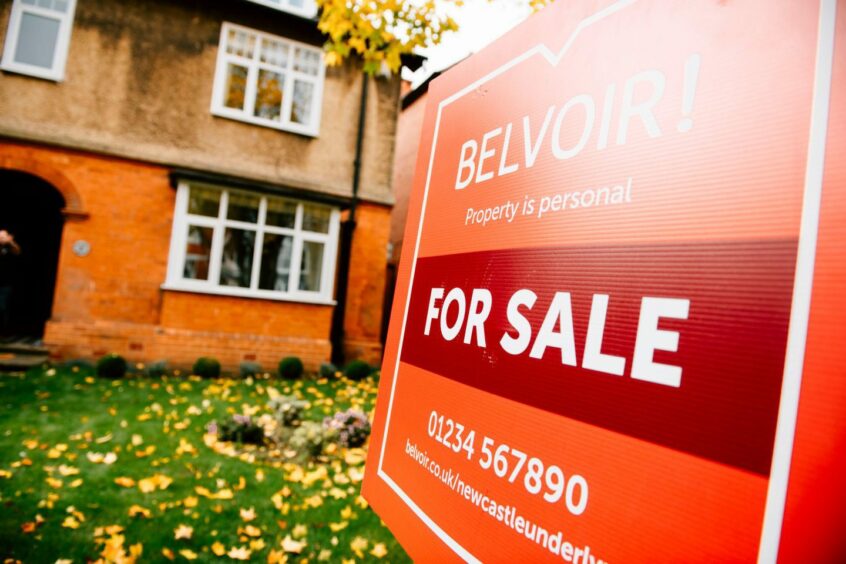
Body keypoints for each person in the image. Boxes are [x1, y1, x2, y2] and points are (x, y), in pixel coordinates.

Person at [0, 230, 21, 333]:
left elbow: (17, 251)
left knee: (3, 307)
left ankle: (3, 330)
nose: (1, 239)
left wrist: (10, 242)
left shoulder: (11, 248)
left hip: (6, 284)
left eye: (3, 236)